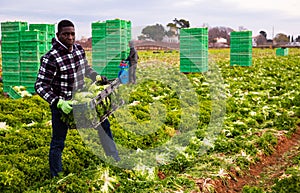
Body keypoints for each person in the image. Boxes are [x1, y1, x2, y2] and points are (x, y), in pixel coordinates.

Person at [35, 19, 120, 178]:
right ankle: (56, 177)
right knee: (58, 142)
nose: (70, 37)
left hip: (84, 102)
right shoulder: (50, 57)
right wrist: (58, 102)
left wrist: (96, 76)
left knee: (103, 126)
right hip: (63, 105)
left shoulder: (79, 50)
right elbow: (40, 85)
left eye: (72, 34)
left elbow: (86, 69)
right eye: (65, 34)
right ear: (58, 35)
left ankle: (114, 159)